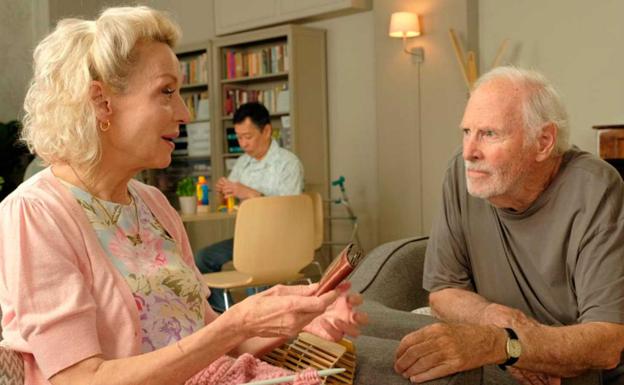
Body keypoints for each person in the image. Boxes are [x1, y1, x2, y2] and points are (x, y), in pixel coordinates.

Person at [0, 7, 366, 385]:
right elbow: (78, 379)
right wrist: (235, 324)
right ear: (101, 102)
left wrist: (299, 322)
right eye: (167, 92)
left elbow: (209, 342)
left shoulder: (154, 205)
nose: (185, 113)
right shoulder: (35, 214)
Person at [394, 67, 624, 384]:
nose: (469, 152)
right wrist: (499, 328)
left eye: (489, 134)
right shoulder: (461, 175)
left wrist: (503, 344)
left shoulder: (594, 187)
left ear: (543, 141)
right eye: (466, 132)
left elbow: (608, 343)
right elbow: (444, 291)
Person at [194, 102, 304, 311]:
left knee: (257, 262)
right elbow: (231, 202)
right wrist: (223, 194)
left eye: (248, 136)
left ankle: (260, 316)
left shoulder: (288, 164)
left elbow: (290, 213)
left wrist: (251, 194)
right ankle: (226, 313)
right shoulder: (243, 163)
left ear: (267, 131)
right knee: (202, 259)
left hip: (280, 239)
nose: (243, 143)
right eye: (239, 137)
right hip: (248, 237)